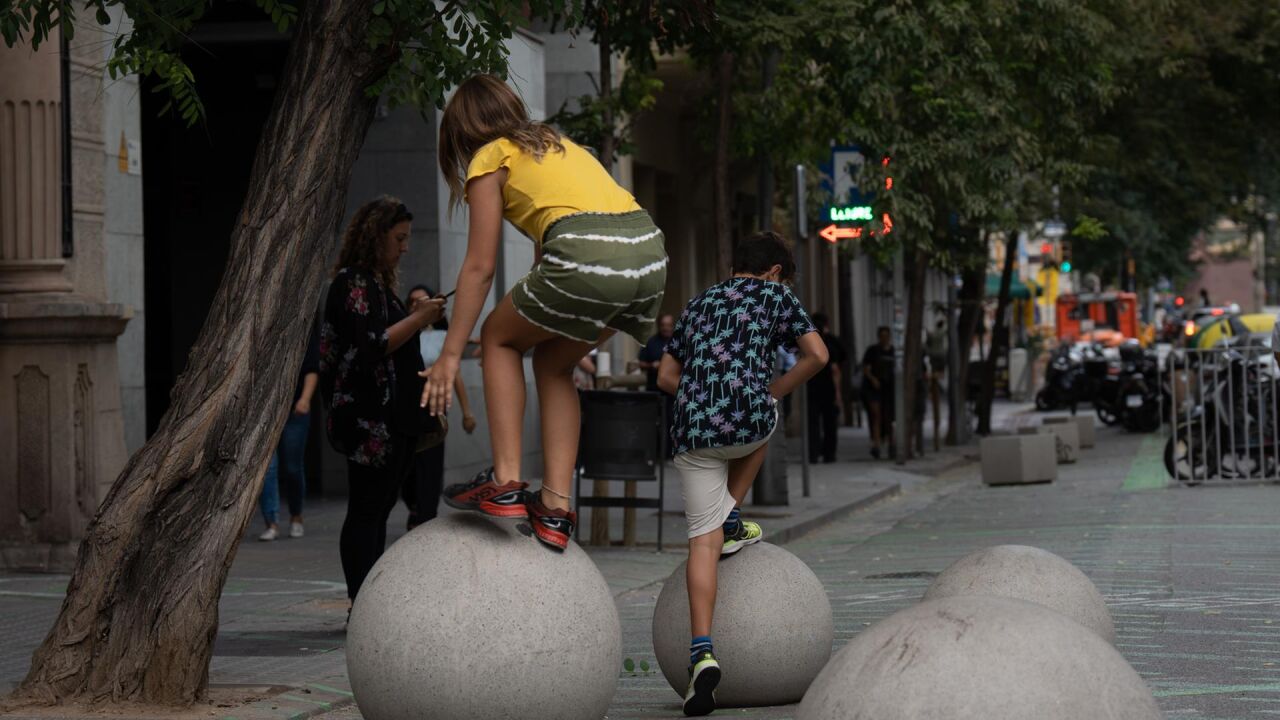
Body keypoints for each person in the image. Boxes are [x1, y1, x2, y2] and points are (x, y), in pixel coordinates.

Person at [421, 75, 667, 551]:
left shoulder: (490, 156)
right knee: (553, 363)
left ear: (462, 133)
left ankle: (506, 481)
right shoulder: (558, 146)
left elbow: (480, 267)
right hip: (648, 255)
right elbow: (546, 255)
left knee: (497, 337)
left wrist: (450, 355)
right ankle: (555, 508)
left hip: (588, 252)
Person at [657, 231, 827, 716]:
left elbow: (665, 377)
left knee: (701, 542)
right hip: (749, 419)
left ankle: (702, 653)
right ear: (774, 272)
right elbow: (818, 356)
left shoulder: (697, 302)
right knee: (765, 417)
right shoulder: (776, 296)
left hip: (691, 427)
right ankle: (731, 514)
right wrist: (774, 391)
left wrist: (701, 400)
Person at [319, 197, 446, 603]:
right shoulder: (353, 283)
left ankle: (368, 600)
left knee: (380, 507)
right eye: (399, 238)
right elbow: (373, 345)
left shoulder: (376, 283)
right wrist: (419, 318)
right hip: (368, 420)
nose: (405, 247)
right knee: (367, 508)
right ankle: (361, 600)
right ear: (376, 236)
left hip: (391, 419)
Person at [400, 284, 478, 531]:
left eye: (423, 300)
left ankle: (426, 517)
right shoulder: (401, 332)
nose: (418, 305)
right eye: (413, 301)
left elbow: (455, 376)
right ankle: (414, 506)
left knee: (430, 463)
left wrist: (467, 412)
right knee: (406, 465)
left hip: (434, 405)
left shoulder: (444, 337)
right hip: (404, 405)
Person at [258, 323, 320, 541]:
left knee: (293, 467)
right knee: (267, 468)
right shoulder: (262, 329)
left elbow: (312, 368)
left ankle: (296, 516)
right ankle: (271, 522)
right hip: (266, 410)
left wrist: (305, 399)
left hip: (295, 409)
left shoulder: (302, 328)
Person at [806, 312, 846, 464]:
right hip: (828, 389)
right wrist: (838, 393)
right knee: (830, 423)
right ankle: (829, 454)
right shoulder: (831, 342)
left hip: (812, 387)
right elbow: (836, 369)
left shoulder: (809, 342)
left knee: (813, 423)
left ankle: (813, 453)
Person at [862, 326, 895, 459]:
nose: (884, 339)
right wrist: (873, 379)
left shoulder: (893, 351)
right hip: (874, 388)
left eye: (886, 336)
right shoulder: (873, 351)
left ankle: (891, 443)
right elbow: (866, 368)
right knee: (876, 415)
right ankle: (876, 444)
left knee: (889, 417)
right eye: (882, 336)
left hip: (889, 388)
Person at [926, 316, 948, 451]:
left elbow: (928, 342)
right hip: (940, 354)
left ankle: (936, 377)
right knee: (940, 370)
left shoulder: (933, 333)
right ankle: (939, 375)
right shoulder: (941, 332)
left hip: (933, 355)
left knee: (935, 371)